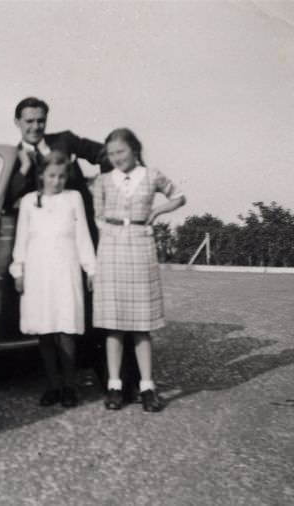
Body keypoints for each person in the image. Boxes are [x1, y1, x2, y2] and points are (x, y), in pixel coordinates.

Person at [92, 128, 186, 412]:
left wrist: (157, 212)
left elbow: (179, 197)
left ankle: (147, 386)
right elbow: (97, 216)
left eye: (120, 152)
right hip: (111, 249)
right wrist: (111, 235)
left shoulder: (152, 175)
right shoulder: (103, 180)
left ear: (134, 148)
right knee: (114, 325)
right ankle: (115, 386)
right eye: (111, 154)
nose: (116, 158)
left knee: (142, 325)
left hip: (141, 246)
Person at [10, 150, 97, 407]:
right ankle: (53, 385)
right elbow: (22, 238)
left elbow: (82, 235)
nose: (56, 181)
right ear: (41, 176)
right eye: (51, 176)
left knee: (66, 329)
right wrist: (19, 269)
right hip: (38, 272)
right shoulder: (29, 201)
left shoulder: (73, 198)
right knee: (45, 332)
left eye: (61, 176)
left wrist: (90, 268)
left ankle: (70, 386)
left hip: (65, 270)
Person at [5, 96, 112, 245]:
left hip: (79, 228)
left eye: (41, 121)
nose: (36, 127)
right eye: (29, 121)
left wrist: (105, 190)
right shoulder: (12, 157)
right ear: (17, 122)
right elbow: (7, 200)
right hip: (42, 236)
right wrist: (24, 168)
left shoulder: (65, 140)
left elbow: (107, 153)